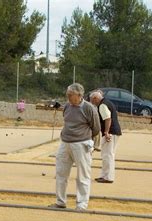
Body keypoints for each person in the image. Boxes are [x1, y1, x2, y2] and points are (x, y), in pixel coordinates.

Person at [51, 83, 100, 211]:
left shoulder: (89, 108)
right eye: (67, 94)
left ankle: (82, 204)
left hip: (81, 144)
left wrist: (85, 138)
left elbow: (96, 128)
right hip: (65, 142)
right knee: (61, 173)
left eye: (70, 94)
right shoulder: (67, 106)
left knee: (83, 175)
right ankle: (60, 201)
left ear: (79, 95)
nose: (67, 96)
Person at [89, 91, 122, 183]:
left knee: (107, 155)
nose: (92, 103)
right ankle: (105, 175)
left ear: (95, 98)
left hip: (110, 132)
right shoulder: (107, 102)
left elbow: (108, 118)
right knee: (108, 154)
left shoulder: (102, 105)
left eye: (92, 100)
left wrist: (106, 132)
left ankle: (108, 177)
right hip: (114, 131)